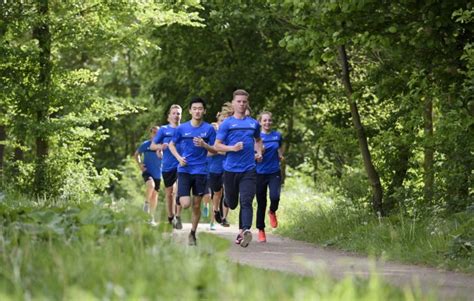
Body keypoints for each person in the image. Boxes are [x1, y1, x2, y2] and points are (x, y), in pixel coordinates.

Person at [214, 89, 263, 248]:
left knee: (247, 201)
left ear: (247, 103)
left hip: (249, 169)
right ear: (234, 103)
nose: (242, 104)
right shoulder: (227, 124)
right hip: (230, 170)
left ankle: (245, 231)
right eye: (239, 101)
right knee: (232, 203)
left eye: (244, 102)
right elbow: (217, 145)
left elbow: (258, 140)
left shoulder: (253, 123)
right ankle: (226, 200)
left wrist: (259, 152)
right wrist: (232, 148)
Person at [168, 97, 216, 246]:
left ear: (204, 111)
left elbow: (215, 150)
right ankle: (179, 199)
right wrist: (178, 158)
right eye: (194, 108)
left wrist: (204, 144)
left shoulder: (209, 129)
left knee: (196, 205)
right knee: (186, 203)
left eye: (200, 108)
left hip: (201, 171)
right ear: (190, 111)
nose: (197, 111)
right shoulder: (182, 128)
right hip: (184, 169)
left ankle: (193, 234)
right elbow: (171, 145)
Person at [151, 104, 183, 229]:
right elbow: (153, 146)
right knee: (169, 193)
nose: (176, 115)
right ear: (169, 116)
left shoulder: (185, 129)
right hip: (168, 165)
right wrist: (160, 147)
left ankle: (178, 217)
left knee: (180, 190)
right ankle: (171, 216)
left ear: (181, 115)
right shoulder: (163, 130)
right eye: (174, 113)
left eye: (178, 113)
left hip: (182, 164)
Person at [255, 111, 284, 242]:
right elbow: (251, 155)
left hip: (274, 172)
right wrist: (258, 155)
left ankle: (272, 211)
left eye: (269, 120)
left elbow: (279, 147)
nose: (267, 123)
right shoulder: (255, 137)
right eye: (264, 120)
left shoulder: (277, 135)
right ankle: (261, 230)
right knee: (261, 203)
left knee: (275, 197)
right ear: (260, 122)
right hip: (259, 173)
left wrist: (280, 155)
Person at [134, 126, 162, 226]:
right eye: (153, 132)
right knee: (151, 185)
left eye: (157, 132)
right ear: (150, 133)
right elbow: (136, 154)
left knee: (154, 196)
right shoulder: (145, 144)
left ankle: (151, 218)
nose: (155, 134)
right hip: (147, 171)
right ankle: (146, 204)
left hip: (158, 173)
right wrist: (140, 164)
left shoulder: (161, 145)